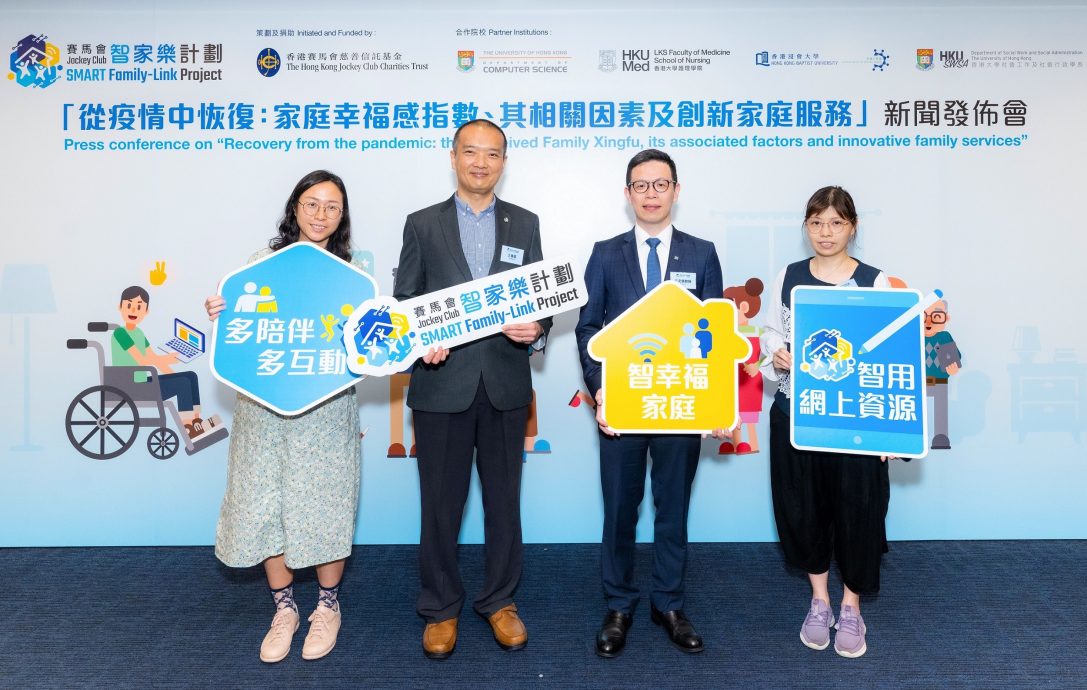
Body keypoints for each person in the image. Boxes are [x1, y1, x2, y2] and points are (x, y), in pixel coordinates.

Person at [392, 119, 552, 659]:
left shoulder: (525, 223)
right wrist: (417, 344)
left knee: (505, 504)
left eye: (492, 154)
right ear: (453, 156)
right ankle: (440, 607)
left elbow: (539, 302)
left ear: (504, 162)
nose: (481, 162)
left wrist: (538, 331)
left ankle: (500, 600)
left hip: (506, 385)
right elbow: (404, 305)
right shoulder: (422, 224)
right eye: (470, 152)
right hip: (441, 386)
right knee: (440, 504)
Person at [204, 170, 362, 663]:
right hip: (264, 410)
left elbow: (365, 346)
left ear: (342, 217)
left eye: (332, 206)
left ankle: (327, 607)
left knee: (326, 504)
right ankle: (285, 608)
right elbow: (241, 331)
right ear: (294, 208)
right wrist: (221, 312)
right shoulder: (259, 266)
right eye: (312, 203)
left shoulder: (353, 276)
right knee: (265, 503)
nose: (320, 215)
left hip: (327, 410)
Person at [575, 149, 723, 657]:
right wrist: (601, 389)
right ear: (627, 194)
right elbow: (589, 327)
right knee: (619, 509)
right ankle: (618, 604)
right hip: (621, 407)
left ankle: (669, 602)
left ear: (676, 191)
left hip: (680, 408)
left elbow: (713, 331)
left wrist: (710, 401)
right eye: (641, 186)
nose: (651, 194)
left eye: (661, 185)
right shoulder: (605, 252)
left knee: (673, 508)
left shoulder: (702, 254)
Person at [760, 185, 894, 658]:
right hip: (797, 415)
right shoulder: (789, 276)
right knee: (804, 509)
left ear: (852, 227)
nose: (826, 232)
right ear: (806, 227)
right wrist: (775, 353)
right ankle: (820, 602)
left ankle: (852, 607)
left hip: (855, 421)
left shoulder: (876, 282)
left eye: (836, 222)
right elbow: (769, 335)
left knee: (858, 512)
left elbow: (889, 352)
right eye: (816, 222)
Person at [111, 285, 221, 440]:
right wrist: (172, 369)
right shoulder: (120, 333)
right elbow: (142, 360)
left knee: (189, 377)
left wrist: (172, 372)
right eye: (129, 305)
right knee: (182, 383)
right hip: (130, 386)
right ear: (120, 307)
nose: (133, 311)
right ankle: (189, 430)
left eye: (139, 307)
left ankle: (196, 422)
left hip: (142, 381)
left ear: (146, 311)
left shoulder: (139, 333)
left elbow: (154, 359)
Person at [720, 277, 765, 455]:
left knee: (749, 412)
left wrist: (757, 365)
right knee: (734, 408)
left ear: (744, 307)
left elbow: (769, 354)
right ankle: (735, 442)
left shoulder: (758, 331)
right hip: (733, 375)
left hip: (751, 377)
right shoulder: (726, 332)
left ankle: (752, 442)